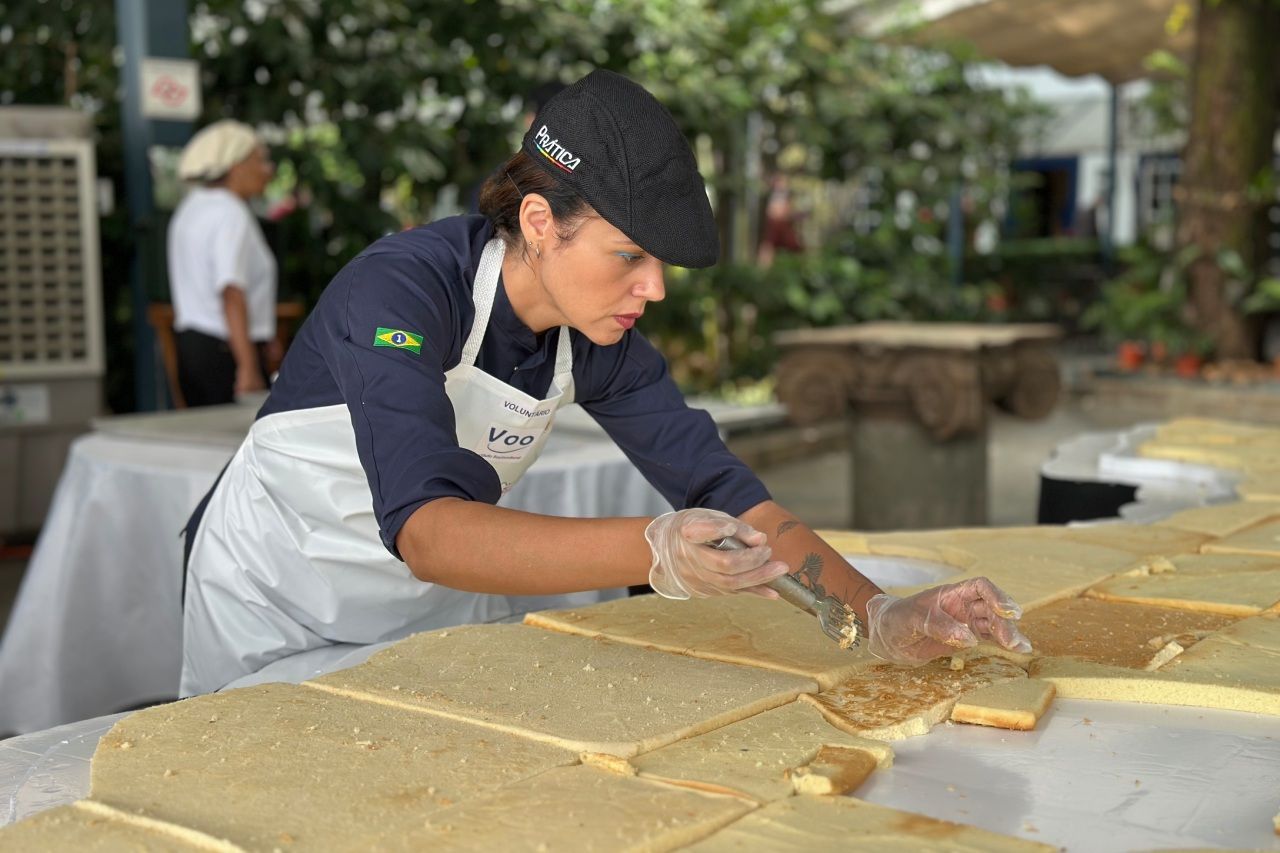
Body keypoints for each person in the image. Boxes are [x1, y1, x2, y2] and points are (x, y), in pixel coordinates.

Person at [179, 71, 1030, 696]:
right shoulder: (401, 290)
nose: (653, 289)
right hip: (277, 606)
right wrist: (655, 549)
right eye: (630, 256)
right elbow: (430, 532)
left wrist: (881, 616)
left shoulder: (595, 336)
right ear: (540, 223)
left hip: (421, 617)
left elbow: (732, 494)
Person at [168, 120, 278, 407]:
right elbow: (231, 290)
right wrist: (248, 366)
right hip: (226, 354)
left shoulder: (191, 208)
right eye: (260, 160)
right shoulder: (230, 213)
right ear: (236, 165)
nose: (268, 170)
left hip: (193, 349)